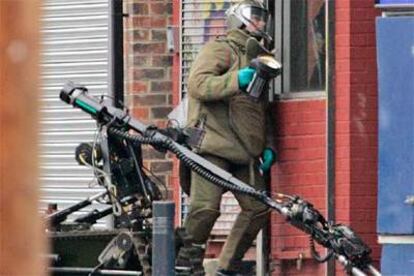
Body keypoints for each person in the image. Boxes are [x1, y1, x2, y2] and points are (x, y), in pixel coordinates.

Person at [176, 1, 276, 275]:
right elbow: (197, 85)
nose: (262, 23)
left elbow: (260, 108)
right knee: (205, 209)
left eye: (264, 18)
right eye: (256, 17)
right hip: (213, 146)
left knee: (257, 209)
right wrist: (236, 80)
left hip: (246, 150)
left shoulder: (261, 59)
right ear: (239, 19)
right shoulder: (220, 49)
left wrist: (267, 145)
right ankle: (187, 262)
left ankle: (224, 267)